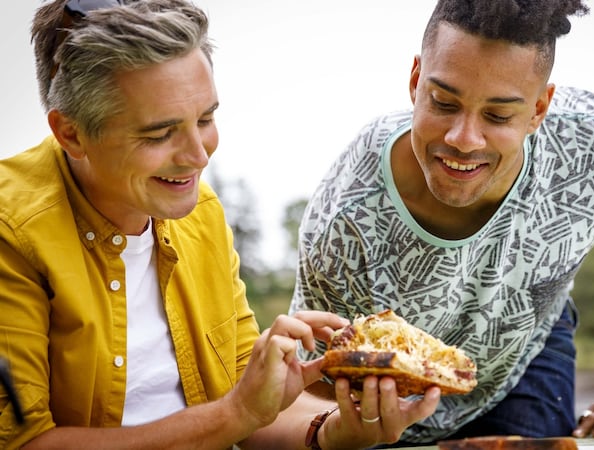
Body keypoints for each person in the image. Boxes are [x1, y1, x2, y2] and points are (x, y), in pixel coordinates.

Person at [0, 1, 439, 448]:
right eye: (158, 134)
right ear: (71, 133)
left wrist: (330, 429)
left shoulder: (199, 211)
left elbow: (246, 403)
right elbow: (24, 443)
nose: (199, 155)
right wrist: (237, 412)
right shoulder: (11, 231)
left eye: (206, 119)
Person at [289, 0, 594, 445]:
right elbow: (315, 379)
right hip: (389, 404)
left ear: (540, 108)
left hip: (525, 345)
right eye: (444, 102)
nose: (463, 139)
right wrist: (356, 428)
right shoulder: (346, 215)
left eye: (498, 115)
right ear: (415, 82)